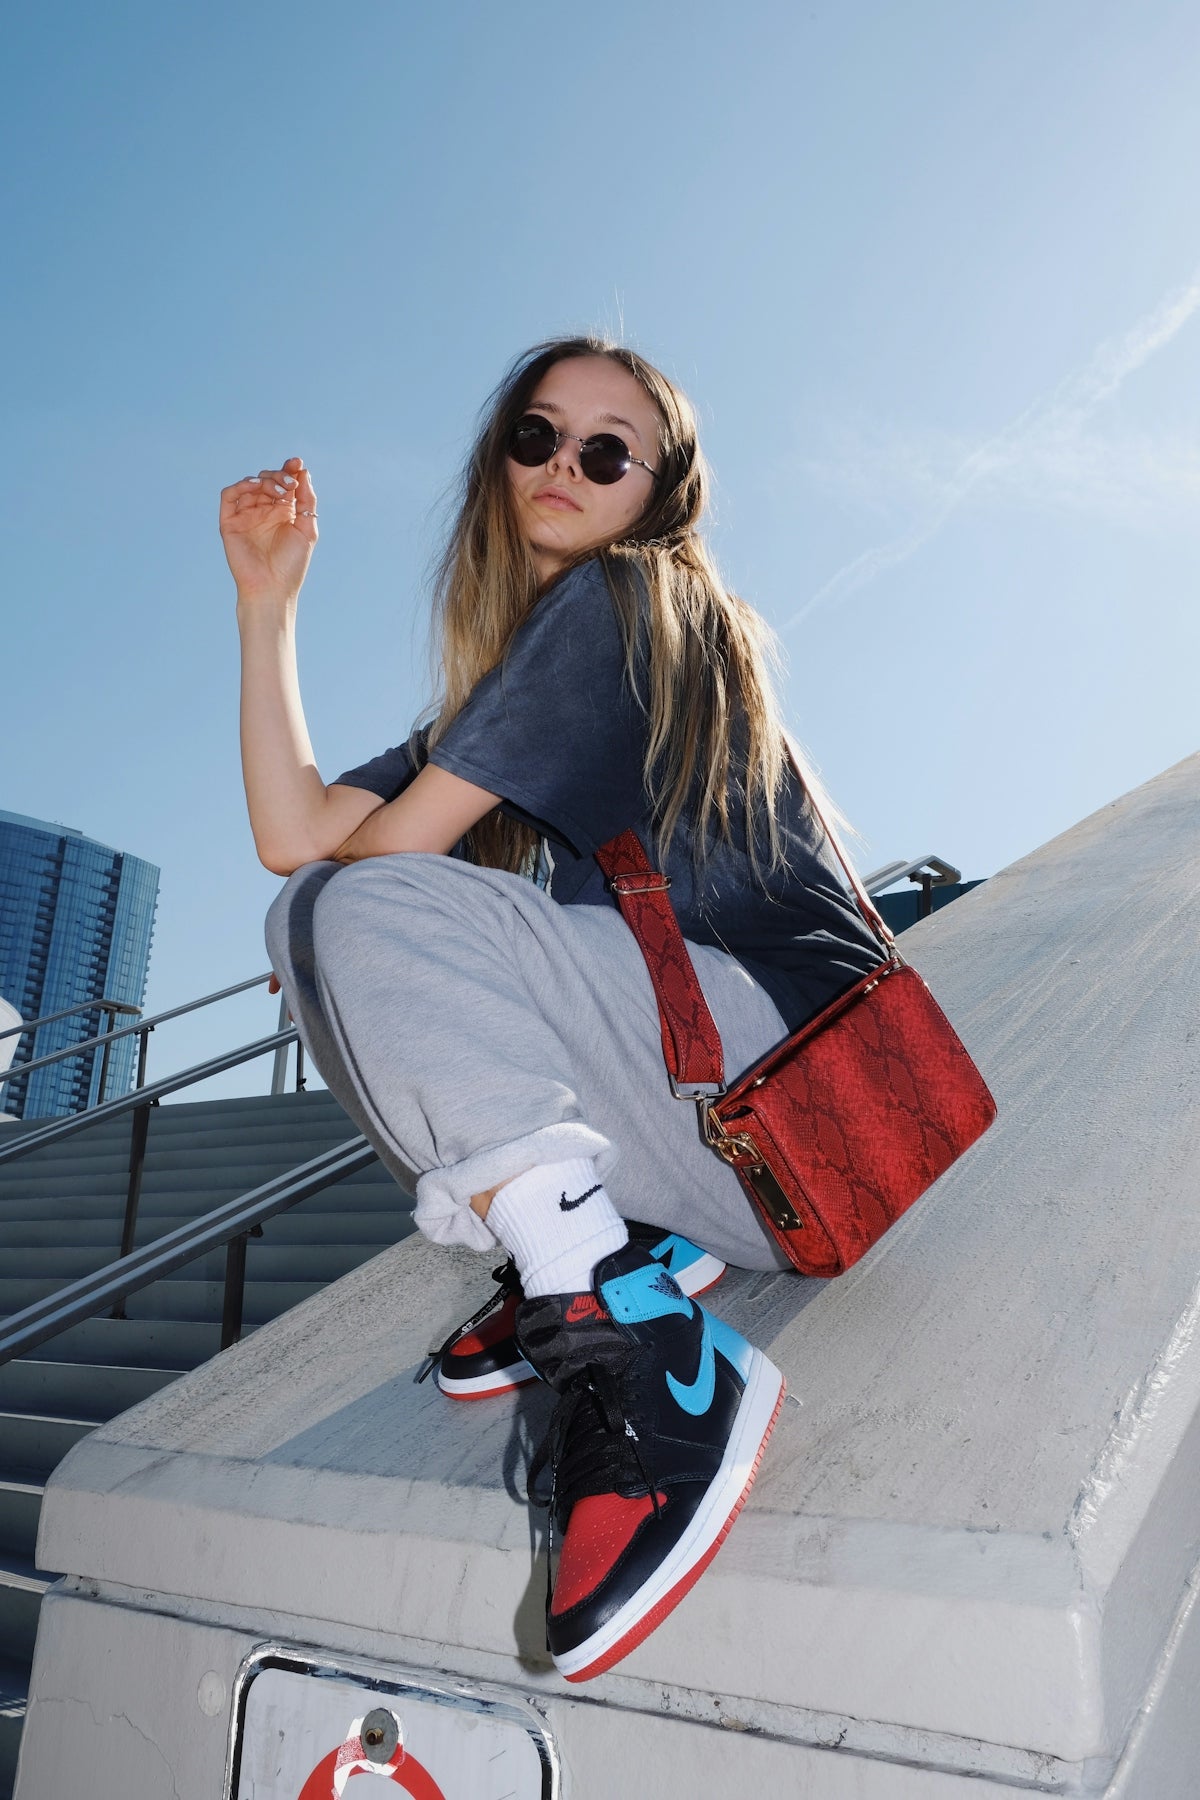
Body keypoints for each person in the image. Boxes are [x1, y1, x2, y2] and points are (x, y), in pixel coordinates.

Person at [219, 336, 885, 1683]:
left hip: (812, 1097)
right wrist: (267, 605)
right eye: (538, 436)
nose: (563, 468)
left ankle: (636, 1346)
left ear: (656, 494)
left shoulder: (630, 603)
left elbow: (383, 866)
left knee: (365, 908)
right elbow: (293, 838)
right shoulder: (507, 684)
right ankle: (608, 1242)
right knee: (311, 918)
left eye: (606, 451)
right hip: (739, 1136)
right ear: (500, 461)